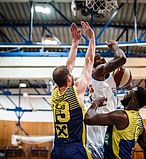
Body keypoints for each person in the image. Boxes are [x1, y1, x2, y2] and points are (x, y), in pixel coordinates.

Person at [50, 21, 95, 159]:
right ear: (69, 79)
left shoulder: (54, 93)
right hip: (74, 150)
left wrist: (75, 42)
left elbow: (67, 67)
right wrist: (92, 39)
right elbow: (89, 61)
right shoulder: (76, 90)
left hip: (57, 149)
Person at [85, 87, 146, 159]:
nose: (125, 93)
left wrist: (96, 103)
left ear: (132, 100)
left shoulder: (121, 116)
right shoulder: (140, 124)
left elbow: (88, 119)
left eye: (128, 93)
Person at [86, 40, 127, 159]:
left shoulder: (108, 78)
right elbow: (122, 58)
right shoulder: (98, 71)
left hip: (106, 124)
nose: (98, 55)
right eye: (95, 57)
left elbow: (127, 85)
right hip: (99, 126)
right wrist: (115, 47)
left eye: (99, 55)